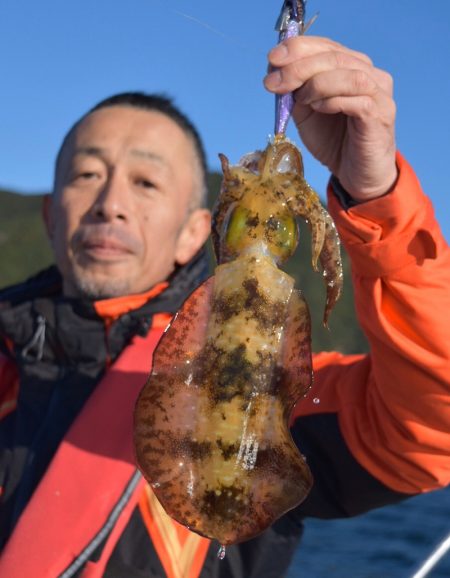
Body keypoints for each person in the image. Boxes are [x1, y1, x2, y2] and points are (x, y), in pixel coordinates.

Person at [0, 35, 449, 578]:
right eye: (86, 174)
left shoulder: (281, 392)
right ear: (50, 214)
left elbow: (431, 424)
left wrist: (377, 199)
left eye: (145, 182)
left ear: (197, 232)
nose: (110, 205)